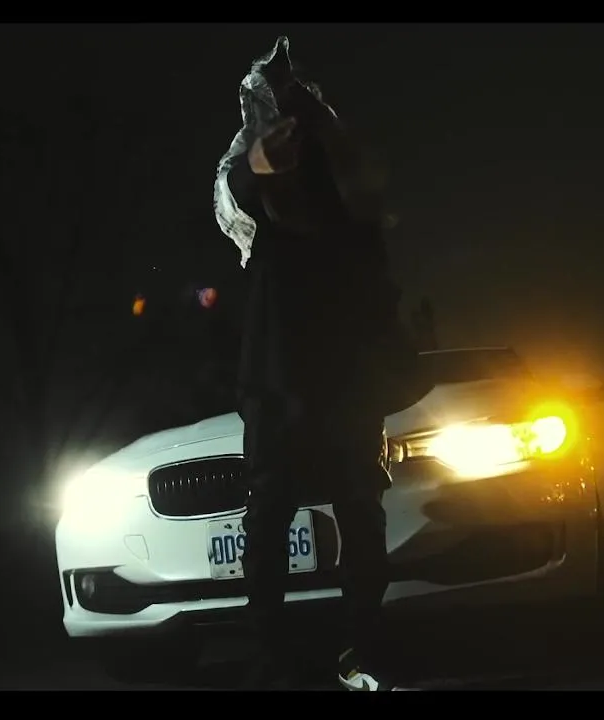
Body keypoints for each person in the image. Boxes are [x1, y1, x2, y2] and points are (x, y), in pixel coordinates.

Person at [213, 36, 426, 691]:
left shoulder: (341, 156)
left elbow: (372, 243)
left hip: (347, 368)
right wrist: (258, 165)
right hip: (278, 370)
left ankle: (364, 649)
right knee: (270, 511)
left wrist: (391, 345)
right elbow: (233, 193)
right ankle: (272, 658)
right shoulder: (255, 157)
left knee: (359, 506)